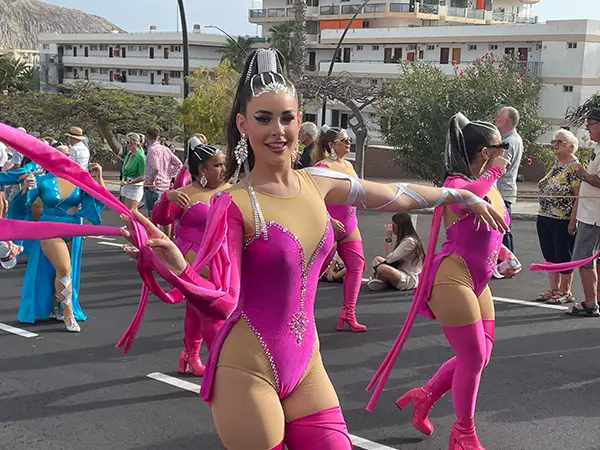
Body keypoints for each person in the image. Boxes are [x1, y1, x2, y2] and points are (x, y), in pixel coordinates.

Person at [0, 50, 506, 450]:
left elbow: (397, 195)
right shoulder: (236, 205)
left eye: (287, 118)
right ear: (243, 125)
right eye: (263, 118)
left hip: (308, 363)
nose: (277, 129)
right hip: (248, 367)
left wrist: (460, 193)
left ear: (299, 119)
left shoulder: (323, 182)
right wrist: (177, 266)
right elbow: (220, 301)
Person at [367, 113, 519, 450]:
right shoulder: (455, 184)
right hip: (453, 276)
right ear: (484, 152)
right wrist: (496, 170)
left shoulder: (488, 186)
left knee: (481, 354)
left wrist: (505, 256)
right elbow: (467, 200)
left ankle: (425, 394)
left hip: (480, 279)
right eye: (499, 148)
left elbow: (491, 229)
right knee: (473, 356)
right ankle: (463, 433)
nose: (504, 154)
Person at [152, 143, 231, 376]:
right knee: (210, 313)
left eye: (224, 163)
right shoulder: (186, 194)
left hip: (224, 265)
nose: (223, 168)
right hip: (193, 265)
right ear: (202, 169)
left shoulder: (232, 190)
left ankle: (190, 355)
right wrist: (167, 196)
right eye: (217, 165)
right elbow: (160, 217)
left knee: (196, 310)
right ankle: (221, 366)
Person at [11, 145, 106, 332]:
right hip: (49, 229)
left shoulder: (80, 180)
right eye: (59, 154)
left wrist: (99, 176)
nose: (63, 158)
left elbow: (101, 197)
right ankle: (68, 314)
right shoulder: (42, 180)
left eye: (67, 155)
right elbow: (24, 204)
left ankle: (57, 305)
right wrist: (24, 189)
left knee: (62, 272)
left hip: (74, 228)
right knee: (64, 268)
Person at [313, 125, 367, 332]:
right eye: (344, 140)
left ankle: (348, 312)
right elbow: (314, 199)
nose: (348, 142)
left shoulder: (348, 165)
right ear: (332, 144)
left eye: (348, 139)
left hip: (350, 226)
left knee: (357, 266)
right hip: (329, 229)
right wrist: (328, 221)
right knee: (314, 272)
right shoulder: (322, 168)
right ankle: (299, 310)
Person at [534, 129, 580, 304]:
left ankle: (565, 291)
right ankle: (553, 289)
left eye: (559, 142)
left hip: (563, 219)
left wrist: (573, 220)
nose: (555, 145)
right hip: (546, 216)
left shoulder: (574, 167)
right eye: (554, 141)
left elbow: (578, 196)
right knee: (550, 254)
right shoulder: (557, 165)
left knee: (563, 255)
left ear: (570, 146)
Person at [567, 108, 600, 317]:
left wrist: (582, 174)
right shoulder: (598, 147)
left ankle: (590, 303)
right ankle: (595, 298)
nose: (588, 130)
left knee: (584, 260)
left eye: (590, 126)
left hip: (594, 216)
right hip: (591, 213)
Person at [493, 106, 523, 259]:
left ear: (506, 120)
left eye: (498, 116)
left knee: (503, 230)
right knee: (503, 228)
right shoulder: (512, 138)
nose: (495, 118)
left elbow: (502, 167)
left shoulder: (509, 142)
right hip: (505, 191)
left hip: (502, 192)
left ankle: (508, 263)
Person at [367, 212, 424, 292]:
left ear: (400, 226)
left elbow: (390, 259)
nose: (391, 226)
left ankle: (381, 279)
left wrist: (388, 238)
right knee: (377, 259)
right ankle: (382, 280)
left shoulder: (410, 242)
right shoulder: (405, 238)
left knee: (381, 268)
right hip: (400, 269)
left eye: (393, 224)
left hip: (408, 279)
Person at [143, 126, 183, 218]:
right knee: (165, 215)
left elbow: (155, 167)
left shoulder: (152, 150)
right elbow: (178, 164)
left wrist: (152, 180)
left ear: (147, 136)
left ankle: (153, 232)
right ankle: (165, 233)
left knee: (153, 215)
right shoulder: (166, 149)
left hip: (154, 187)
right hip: (165, 187)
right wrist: (169, 176)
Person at [120, 133, 146, 211]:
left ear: (133, 143)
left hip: (134, 188)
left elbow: (143, 176)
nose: (126, 145)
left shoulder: (140, 156)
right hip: (125, 186)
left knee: (130, 213)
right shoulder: (129, 154)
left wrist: (129, 182)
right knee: (124, 212)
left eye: (127, 142)